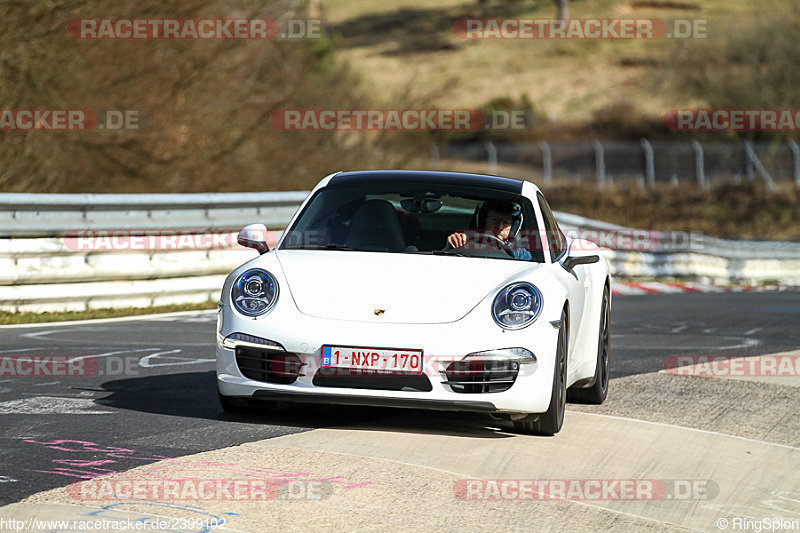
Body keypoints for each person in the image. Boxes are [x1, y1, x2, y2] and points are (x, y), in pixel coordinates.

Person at [447, 199, 532, 260]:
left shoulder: (519, 254)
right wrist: (451, 246)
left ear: (513, 228)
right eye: (494, 220)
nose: (499, 227)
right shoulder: (465, 242)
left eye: (506, 223)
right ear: (483, 221)